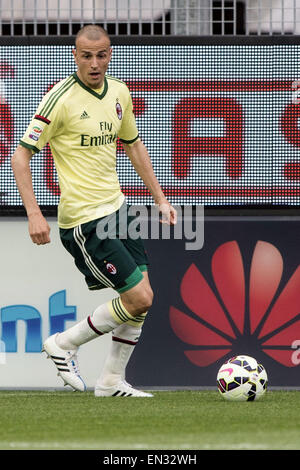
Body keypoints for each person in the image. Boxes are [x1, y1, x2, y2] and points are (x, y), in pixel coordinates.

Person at [11, 24, 177, 397]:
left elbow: (133, 145)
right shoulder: (60, 98)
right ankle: (64, 344)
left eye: (101, 54)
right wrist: (34, 214)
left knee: (142, 300)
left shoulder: (119, 91)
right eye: (86, 55)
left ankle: (110, 381)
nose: (94, 62)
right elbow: (20, 157)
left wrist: (160, 198)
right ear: (75, 56)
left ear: (110, 54)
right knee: (140, 298)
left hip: (119, 207)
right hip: (86, 220)